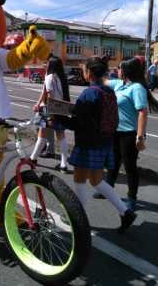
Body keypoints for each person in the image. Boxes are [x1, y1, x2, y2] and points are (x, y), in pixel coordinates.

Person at [62, 56, 136, 233]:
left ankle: (78, 218)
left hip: (88, 144)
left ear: (89, 73)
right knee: (96, 180)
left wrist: (57, 118)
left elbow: (79, 123)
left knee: (79, 178)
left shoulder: (89, 93)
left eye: (84, 70)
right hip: (105, 142)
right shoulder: (108, 92)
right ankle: (125, 212)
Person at [99, 57, 158, 210]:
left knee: (130, 166)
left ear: (126, 71)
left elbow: (142, 113)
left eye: (119, 68)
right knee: (113, 162)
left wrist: (140, 136)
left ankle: (132, 198)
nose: (117, 71)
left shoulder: (137, 88)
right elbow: (102, 81)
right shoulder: (118, 84)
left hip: (129, 134)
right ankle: (108, 189)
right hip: (115, 131)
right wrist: (101, 64)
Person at [30, 55, 70, 172]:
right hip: (61, 109)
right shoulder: (62, 78)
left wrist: (49, 112)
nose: (45, 64)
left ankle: (33, 159)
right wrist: (38, 104)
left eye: (47, 62)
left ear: (51, 65)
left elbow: (49, 95)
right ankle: (64, 165)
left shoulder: (49, 77)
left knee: (42, 136)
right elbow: (45, 93)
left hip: (49, 109)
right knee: (61, 136)